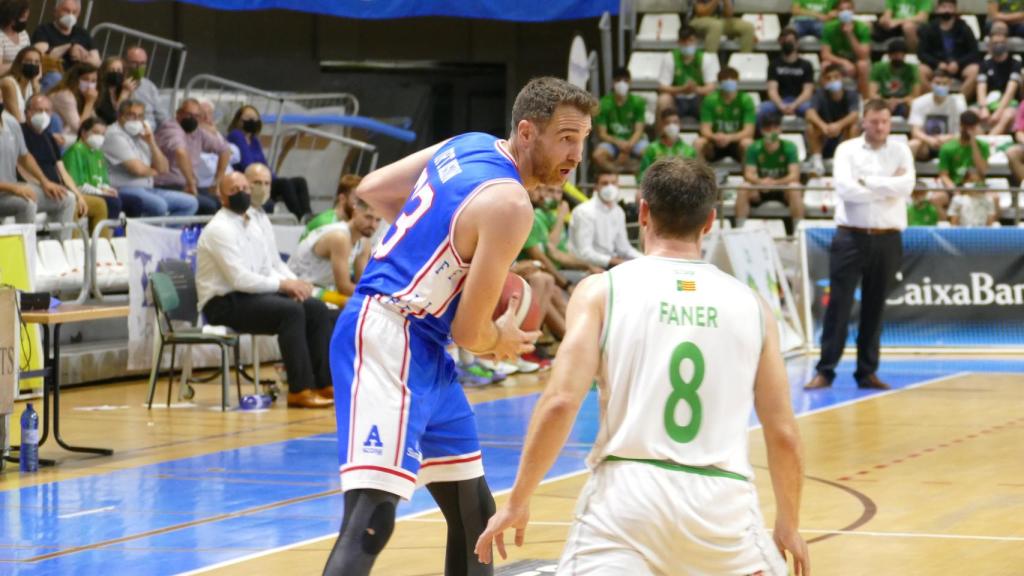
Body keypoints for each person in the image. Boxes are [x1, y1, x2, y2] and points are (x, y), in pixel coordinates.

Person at [474, 157, 809, 576]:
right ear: (710, 222)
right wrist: (789, 525)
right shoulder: (753, 306)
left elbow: (560, 402)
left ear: (643, 212)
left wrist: (517, 500)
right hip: (722, 506)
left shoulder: (601, 290)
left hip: (624, 501)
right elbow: (783, 434)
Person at [321, 76, 592, 575]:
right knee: (371, 517)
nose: (576, 154)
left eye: (582, 139)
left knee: (475, 515)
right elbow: (471, 335)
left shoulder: (467, 144)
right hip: (389, 334)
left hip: (423, 345)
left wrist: (439, 248)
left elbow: (374, 189)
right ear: (528, 132)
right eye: (566, 138)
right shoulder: (511, 204)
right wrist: (502, 338)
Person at [196, 172, 335, 409]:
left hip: (251, 296)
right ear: (222, 197)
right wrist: (284, 286)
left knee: (315, 308)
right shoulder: (219, 229)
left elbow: (269, 265)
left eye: (245, 188)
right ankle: (299, 389)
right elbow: (239, 279)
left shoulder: (253, 222)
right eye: (234, 190)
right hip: (223, 303)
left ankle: (323, 383)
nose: (243, 193)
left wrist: (297, 285)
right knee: (290, 312)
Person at [805, 99, 915, 391]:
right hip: (850, 236)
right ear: (864, 121)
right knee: (838, 306)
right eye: (875, 121)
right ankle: (825, 370)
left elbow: (907, 187)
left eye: (885, 122)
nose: (880, 127)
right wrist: (885, 186)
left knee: (875, 307)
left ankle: (867, 372)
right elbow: (845, 189)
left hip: (888, 237)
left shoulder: (900, 149)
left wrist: (867, 182)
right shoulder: (847, 149)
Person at [19, 93, 102, 230]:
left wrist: (78, 195)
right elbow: (21, 166)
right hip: (35, 187)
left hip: (56, 189)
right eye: (39, 110)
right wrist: (43, 184)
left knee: (99, 205)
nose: (44, 114)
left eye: (47, 111)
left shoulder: (49, 138)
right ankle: (65, 243)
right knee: (69, 201)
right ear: (28, 112)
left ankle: (89, 247)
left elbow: (63, 172)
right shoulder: (20, 132)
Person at [102, 99, 198, 216]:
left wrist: (151, 142)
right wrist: (155, 171)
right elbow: (138, 170)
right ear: (120, 116)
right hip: (122, 188)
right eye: (131, 115)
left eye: (140, 116)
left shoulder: (142, 135)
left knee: (190, 203)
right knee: (159, 205)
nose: (136, 120)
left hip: (148, 188)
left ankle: (164, 233)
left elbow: (164, 168)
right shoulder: (114, 135)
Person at [0, 94, 76, 230]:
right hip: (7, 191)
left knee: (66, 199)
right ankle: (28, 249)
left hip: (11, 190)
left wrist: (44, 181)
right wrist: (14, 188)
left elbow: (25, 156)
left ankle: (59, 247)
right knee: (27, 203)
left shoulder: (11, 122)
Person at [226, 105, 312, 220]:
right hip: (249, 180)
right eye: (248, 119)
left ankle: (307, 215)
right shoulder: (236, 135)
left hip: (262, 177)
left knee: (300, 181)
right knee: (284, 183)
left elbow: (264, 164)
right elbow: (247, 164)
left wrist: (271, 178)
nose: (252, 122)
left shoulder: (254, 140)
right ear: (239, 121)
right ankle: (299, 216)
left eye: (255, 119)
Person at [288, 195, 379, 298]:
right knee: (348, 304)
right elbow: (344, 288)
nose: (373, 224)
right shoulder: (340, 237)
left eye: (378, 220)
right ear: (354, 214)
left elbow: (362, 282)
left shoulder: (364, 241)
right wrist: (379, 297)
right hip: (298, 286)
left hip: (322, 288)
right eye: (368, 217)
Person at [154, 98, 230, 214]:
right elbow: (180, 152)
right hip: (167, 185)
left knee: (223, 202)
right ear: (179, 113)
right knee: (209, 206)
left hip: (188, 186)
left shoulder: (197, 131)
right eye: (189, 114)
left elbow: (224, 150)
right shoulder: (171, 128)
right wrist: (191, 183)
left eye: (196, 116)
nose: (193, 119)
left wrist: (217, 182)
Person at [737, 112, 803, 232]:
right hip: (761, 190)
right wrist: (761, 181)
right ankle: (739, 230)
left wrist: (775, 183)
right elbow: (748, 174)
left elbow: (794, 175)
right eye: (768, 129)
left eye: (775, 128)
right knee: (743, 187)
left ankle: (798, 231)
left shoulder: (790, 147)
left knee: (795, 187)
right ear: (762, 131)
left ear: (780, 130)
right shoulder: (754, 148)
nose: (771, 132)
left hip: (782, 190)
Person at [569, 171, 643, 269]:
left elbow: (624, 248)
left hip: (611, 264)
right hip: (585, 267)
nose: (610, 187)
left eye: (613, 183)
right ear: (596, 187)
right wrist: (616, 261)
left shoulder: (618, 211)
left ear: (618, 185)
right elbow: (585, 253)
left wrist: (644, 258)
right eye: (605, 183)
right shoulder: (584, 212)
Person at [61, 116, 128, 221]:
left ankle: (114, 235)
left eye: (102, 134)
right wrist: (101, 192)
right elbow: (77, 185)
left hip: (96, 192)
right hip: (79, 194)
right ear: (83, 133)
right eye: (96, 132)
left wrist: (107, 189)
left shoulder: (98, 153)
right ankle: (104, 236)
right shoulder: (75, 151)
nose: (100, 137)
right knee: (113, 203)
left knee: (130, 201)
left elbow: (102, 181)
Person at [31, 0, 100, 90]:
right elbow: (41, 56)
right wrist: (69, 46)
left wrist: (82, 53)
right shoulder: (43, 30)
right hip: (51, 76)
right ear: (55, 11)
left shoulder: (83, 34)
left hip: (76, 79)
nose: (70, 15)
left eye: (74, 12)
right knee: (55, 77)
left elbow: (97, 62)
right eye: (66, 11)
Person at [806, 64, 861, 175]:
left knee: (854, 127)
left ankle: (848, 160)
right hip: (824, 131)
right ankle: (817, 160)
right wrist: (823, 126)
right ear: (824, 81)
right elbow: (809, 113)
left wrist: (838, 126)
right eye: (829, 78)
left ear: (842, 78)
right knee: (810, 127)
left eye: (836, 77)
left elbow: (855, 114)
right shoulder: (819, 94)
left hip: (843, 131)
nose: (832, 80)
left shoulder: (851, 94)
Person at [917, 0, 980, 98]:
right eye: (943, 7)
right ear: (937, 10)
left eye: (950, 7)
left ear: (955, 9)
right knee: (920, 70)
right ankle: (934, 99)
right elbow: (922, 53)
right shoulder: (929, 28)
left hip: (959, 66)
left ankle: (960, 102)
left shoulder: (964, 27)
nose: (946, 10)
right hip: (936, 66)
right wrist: (937, 63)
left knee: (975, 70)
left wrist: (958, 63)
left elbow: (974, 52)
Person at [695, 67, 756, 164]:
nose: (729, 82)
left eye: (732, 80)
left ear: (737, 81)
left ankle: (748, 176)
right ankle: (699, 177)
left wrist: (729, 138)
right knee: (699, 143)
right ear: (720, 83)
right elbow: (705, 129)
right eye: (725, 80)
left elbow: (749, 131)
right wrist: (715, 137)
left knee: (748, 143)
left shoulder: (746, 100)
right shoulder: (710, 100)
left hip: (736, 142)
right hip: (715, 142)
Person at [592, 67, 648, 173]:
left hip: (635, 141)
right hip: (613, 142)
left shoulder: (638, 102)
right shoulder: (604, 103)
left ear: (630, 82)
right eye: (618, 80)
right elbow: (602, 134)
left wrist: (628, 147)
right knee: (598, 155)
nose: (622, 83)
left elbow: (638, 130)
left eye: (625, 80)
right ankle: (617, 172)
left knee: (651, 154)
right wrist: (619, 143)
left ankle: (638, 175)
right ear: (613, 82)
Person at [656, 25, 716, 125]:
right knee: (663, 99)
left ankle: (710, 136)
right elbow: (662, 87)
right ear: (679, 42)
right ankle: (661, 138)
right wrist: (682, 89)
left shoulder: (706, 58)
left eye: (691, 41)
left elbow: (711, 87)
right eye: (684, 41)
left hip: (698, 99)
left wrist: (696, 89)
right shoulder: (670, 58)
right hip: (677, 100)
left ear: (696, 41)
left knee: (712, 98)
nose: (687, 44)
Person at [759, 28, 815, 125]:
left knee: (813, 111)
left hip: (800, 102)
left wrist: (794, 105)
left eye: (790, 41)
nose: (787, 43)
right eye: (784, 41)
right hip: (779, 102)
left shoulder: (806, 65)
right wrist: (781, 106)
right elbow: (772, 90)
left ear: (797, 43)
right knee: (762, 109)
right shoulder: (774, 64)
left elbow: (807, 91)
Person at [936, 110, 990, 211]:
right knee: (937, 199)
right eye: (966, 127)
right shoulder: (947, 148)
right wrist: (954, 189)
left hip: (977, 187)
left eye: (972, 128)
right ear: (961, 126)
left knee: (995, 198)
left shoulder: (983, 146)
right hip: (956, 186)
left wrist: (973, 142)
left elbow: (983, 170)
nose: (969, 131)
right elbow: (943, 175)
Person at [907, 69, 965, 160]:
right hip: (927, 144)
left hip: (950, 144)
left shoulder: (959, 103)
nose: (941, 86)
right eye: (937, 83)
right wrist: (929, 140)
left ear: (950, 84)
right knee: (912, 144)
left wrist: (948, 138)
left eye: (944, 84)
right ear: (931, 84)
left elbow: (963, 132)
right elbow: (915, 131)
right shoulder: (919, 102)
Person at [821, 0, 872, 96]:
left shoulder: (862, 28)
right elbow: (825, 54)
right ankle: (825, 99)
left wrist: (850, 34)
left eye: (848, 9)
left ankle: (864, 99)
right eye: (841, 10)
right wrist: (843, 62)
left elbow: (864, 56)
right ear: (837, 12)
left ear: (853, 11)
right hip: (837, 62)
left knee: (863, 65)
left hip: (855, 62)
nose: (845, 12)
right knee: (825, 65)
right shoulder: (829, 28)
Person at [976, 31, 1020, 135]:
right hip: (988, 102)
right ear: (990, 45)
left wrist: (999, 111)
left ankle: (987, 143)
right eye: (995, 43)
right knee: (972, 114)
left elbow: (1011, 90)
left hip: (1008, 104)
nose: (998, 45)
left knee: (1007, 115)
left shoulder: (1015, 63)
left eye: (1001, 42)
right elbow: (981, 87)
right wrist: (983, 108)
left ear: (1006, 44)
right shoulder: (985, 64)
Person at [638, 108, 697, 181]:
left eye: (675, 122)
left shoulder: (689, 151)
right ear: (662, 125)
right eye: (668, 123)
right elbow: (643, 173)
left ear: (680, 125)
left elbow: (694, 176)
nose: (672, 126)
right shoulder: (652, 149)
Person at [868, 39, 921, 118]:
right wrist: (886, 101)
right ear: (889, 55)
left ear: (904, 55)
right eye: (895, 55)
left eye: (901, 55)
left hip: (904, 101)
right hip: (883, 100)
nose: (898, 57)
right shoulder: (878, 67)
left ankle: (912, 129)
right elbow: (872, 93)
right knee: (871, 105)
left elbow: (915, 95)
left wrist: (898, 101)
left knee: (913, 105)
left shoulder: (912, 69)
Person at [47, 62, 98, 144]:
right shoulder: (65, 95)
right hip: (54, 137)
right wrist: (90, 103)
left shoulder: (83, 96)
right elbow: (80, 129)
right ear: (75, 79)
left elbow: (94, 122)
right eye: (85, 79)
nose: (89, 84)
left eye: (93, 81)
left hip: (67, 135)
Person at [123, 45, 168, 129]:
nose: (138, 67)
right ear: (125, 63)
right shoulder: (118, 83)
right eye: (134, 63)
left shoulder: (149, 86)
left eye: (142, 63)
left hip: (151, 130)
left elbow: (162, 115)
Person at [304, 174, 360, 238]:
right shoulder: (326, 223)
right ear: (342, 199)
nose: (362, 206)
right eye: (358, 200)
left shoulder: (351, 224)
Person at [690, 0, 755, 52]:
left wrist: (726, 2)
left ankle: (744, 62)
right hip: (697, 20)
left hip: (720, 20)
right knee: (716, 25)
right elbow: (701, 12)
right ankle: (710, 62)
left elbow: (728, 15)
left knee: (748, 28)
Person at [0, 45, 41, 122]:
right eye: (28, 61)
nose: (33, 65)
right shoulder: (9, 83)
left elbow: (37, 113)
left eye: (36, 62)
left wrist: (35, 87)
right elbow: (16, 117)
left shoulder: (31, 84)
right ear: (19, 63)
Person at [94, 56, 136, 126]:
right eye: (111, 70)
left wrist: (129, 93)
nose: (115, 73)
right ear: (104, 72)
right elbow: (113, 118)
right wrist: (124, 94)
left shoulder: (122, 88)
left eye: (119, 71)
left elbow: (131, 115)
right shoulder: (98, 90)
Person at [0, 0, 30, 77]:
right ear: (12, 20)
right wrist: (19, 63)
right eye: (23, 18)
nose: (26, 21)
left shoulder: (23, 33)